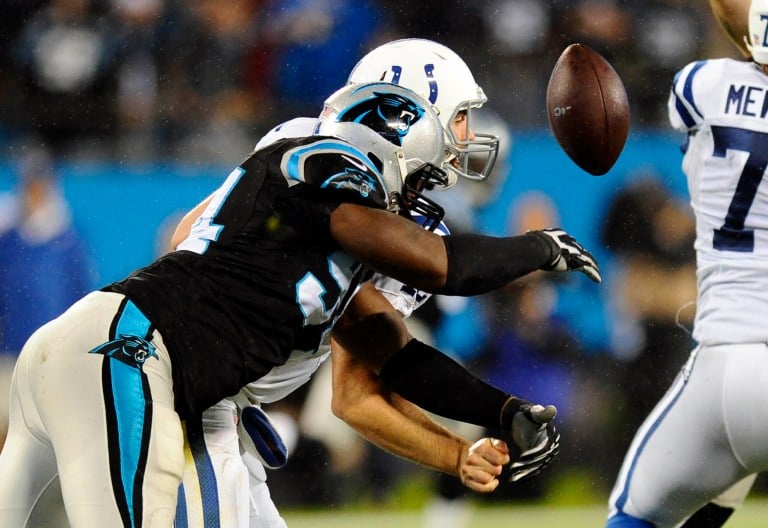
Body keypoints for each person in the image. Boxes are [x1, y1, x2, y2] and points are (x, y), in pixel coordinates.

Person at [0, 78, 598, 527]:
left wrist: (503, 411)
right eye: (421, 168)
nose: (424, 188)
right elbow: (440, 264)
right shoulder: (325, 165)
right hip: (128, 357)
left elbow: (399, 360)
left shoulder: (319, 248)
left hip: (90, 347)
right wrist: (539, 247)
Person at [176, 38, 563, 528]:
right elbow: (187, 241)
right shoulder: (310, 156)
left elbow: (356, 394)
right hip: (188, 387)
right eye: (460, 116)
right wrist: (540, 248)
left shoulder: (406, 210)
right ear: (408, 114)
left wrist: (459, 455)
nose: (466, 135)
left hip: (218, 398)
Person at [605, 1, 768, 526]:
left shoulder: (703, 85)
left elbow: (739, 24)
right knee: (728, 478)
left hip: (725, 357)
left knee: (637, 512)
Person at [0, 144, 94, 449]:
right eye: (31, 184)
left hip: (50, 355)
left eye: (41, 184)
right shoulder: (8, 237)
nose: (36, 192)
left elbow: (80, 297)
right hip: (8, 352)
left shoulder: (68, 239)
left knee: (46, 435)